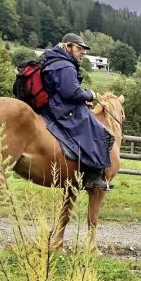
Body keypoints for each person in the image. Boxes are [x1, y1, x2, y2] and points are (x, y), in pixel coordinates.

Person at [40, 33, 114, 191]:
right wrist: (90, 95)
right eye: (79, 48)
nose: (83, 52)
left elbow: (62, 90)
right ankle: (93, 176)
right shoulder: (65, 66)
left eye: (84, 50)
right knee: (100, 131)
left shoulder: (52, 60)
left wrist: (82, 99)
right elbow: (72, 93)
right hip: (62, 109)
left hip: (53, 105)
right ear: (68, 47)